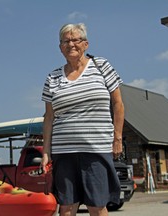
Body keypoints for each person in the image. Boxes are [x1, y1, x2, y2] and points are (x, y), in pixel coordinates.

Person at [41, 23, 124, 216]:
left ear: (85, 44)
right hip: (64, 151)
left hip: (96, 148)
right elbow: (49, 117)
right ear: (60, 47)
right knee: (66, 207)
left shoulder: (101, 66)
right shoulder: (52, 77)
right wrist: (46, 152)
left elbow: (118, 104)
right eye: (65, 41)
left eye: (75, 40)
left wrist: (117, 138)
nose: (71, 44)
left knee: (97, 205)